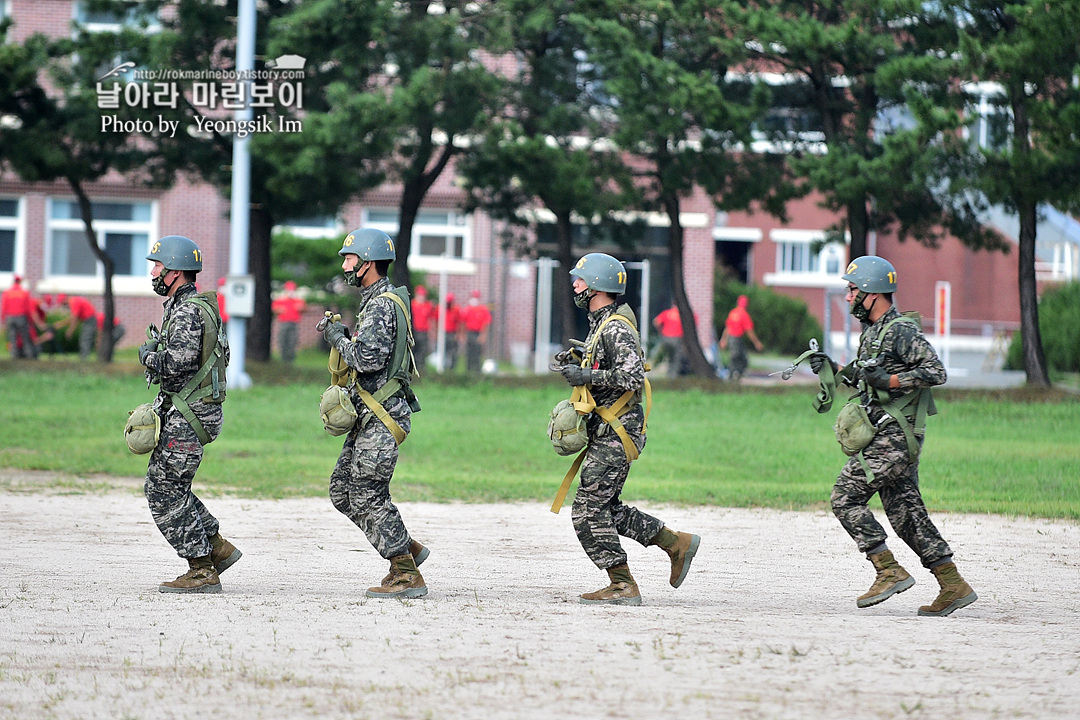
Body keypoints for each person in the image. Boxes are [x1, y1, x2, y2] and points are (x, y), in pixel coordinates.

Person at [809, 255, 977, 617]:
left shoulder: (900, 329)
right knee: (906, 516)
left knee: (845, 497)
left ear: (871, 292)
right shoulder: (872, 331)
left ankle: (888, 570)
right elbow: (867, 381)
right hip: (884, 433)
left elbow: (936, 371)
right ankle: (953, 584)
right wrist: (833, 369)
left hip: (896, 435)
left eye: (853, 289)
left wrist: (895, 381)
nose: (849, 295)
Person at [553, 252, 700, 605]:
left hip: (617, 432)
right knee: (606, 507)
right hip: (609, 429)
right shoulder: (602, 323)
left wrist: (587, 375)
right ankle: (675, 543)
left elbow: (632, 377)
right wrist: (578, 363)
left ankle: (622, 583)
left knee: (587, 510)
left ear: (599, 286)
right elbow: (613, 366)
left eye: (581, 280)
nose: (575, 284)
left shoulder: (616, 326)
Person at [320, 228, 429, 599]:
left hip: (382, 415)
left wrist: (336, 338)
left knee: (366, 492)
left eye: (349, 259)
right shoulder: (377, 301)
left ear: (367, 263)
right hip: (371, 414)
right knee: (342, 491)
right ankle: (406, 547)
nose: (345, 265)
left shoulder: (381, 303)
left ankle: (405, 572)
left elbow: (366, 360)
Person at [139, 235, 240, 594]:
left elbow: (178, 364)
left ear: (175, 271)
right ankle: (216, 546)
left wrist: (149, 356)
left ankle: (201, 568)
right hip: (194, 410)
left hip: (190, 413)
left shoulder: (186, 311)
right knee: (170, 484)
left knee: (162, 490)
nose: (153, 272)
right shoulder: (193, 306)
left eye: (157, 265)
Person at [719, 295, 763, 381]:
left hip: (732, 339)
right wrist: (757, 342)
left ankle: (735, 375)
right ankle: (732, 376)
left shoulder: (732, 313)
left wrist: (723, 340)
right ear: (746, 304)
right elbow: (749, 331)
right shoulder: (744, 315)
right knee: (738, 358)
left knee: (738, 357)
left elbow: (727, 328)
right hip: (736, 339)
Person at [1, 275, 37, 359]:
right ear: (20, 282)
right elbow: (28, 308)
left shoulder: (7, 293)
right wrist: (30, 320)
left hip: (10, 317)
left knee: (12, 337)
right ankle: (29, 355)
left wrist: (2, 320)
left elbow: (3, 308)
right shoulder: (24, 293)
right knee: (25, 337)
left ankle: (14, 355)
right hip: (21, 317)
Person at [272, 280, 306, 365]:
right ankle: (283, 359)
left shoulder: (298, 300)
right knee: (283, 341)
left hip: (294, 323)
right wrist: (279, 310)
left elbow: (304, 308)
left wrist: (300, 308)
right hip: (283, 323)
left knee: (292, 341)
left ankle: (290, 360)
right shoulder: (280, 300)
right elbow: (274, 309)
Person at [57, 294, 98, 360]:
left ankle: (84, 358)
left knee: (85, 339)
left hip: (90, 320)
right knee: (85, 338)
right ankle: (84, 357)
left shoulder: (73, 302)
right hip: (88, 320)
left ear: (64, 300)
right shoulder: (75, 300)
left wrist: (70, 331)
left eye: (62, 303)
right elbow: (74, 318)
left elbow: (74, 319)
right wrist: (60, 324)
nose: (63, 305)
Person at [461, 289, 492, 373]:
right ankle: (468, 370)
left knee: (477, 352)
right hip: (469, 332)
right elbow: (463, 322)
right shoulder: (467, 309)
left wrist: (483, 335)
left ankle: (477, 370)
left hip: (478, 333)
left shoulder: (483, 309)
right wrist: (463, 334)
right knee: (469, 352)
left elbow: (486, 323)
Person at [652, 303, 685, 377]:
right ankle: (672, 377)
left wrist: (660, 330)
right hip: (676, 339)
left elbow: (656, 321)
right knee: (675, 359)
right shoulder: (682, 315)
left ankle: (652, 371)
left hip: (665, 338)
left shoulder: (667, 313)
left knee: (661, 355)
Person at [411, 284, 435, 368]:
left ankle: (421, 368)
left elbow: (431, 319)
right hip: (414, 331)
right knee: (413, 349)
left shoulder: (428, 306)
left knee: (423, 350)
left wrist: (432, 331)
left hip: (424, 331)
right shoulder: (412, 304)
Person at [440, 292, 462, 371]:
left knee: (453, 352)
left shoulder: (456, 310)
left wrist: (458, 334)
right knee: (444, 350)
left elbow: (459, 323)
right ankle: (443, 366)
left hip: (452, 333)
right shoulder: (441, 309)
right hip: (443, 333)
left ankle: (452, 367)